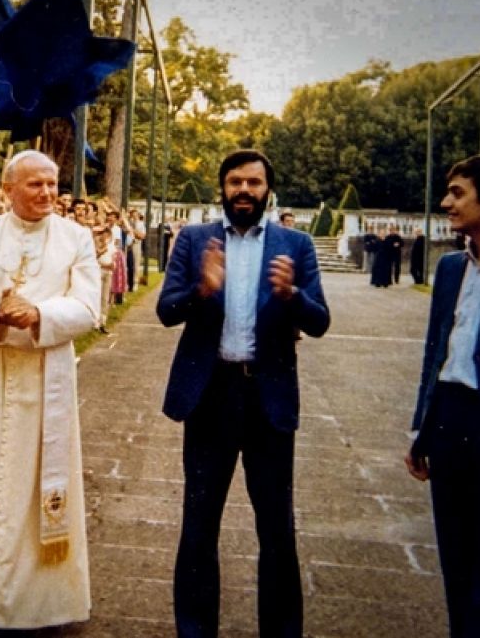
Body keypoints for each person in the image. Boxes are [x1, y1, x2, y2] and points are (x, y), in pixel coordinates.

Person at [157, 149, 330, 638]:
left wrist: (292, 295)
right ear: (222, 188)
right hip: (210, 396)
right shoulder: (195, 240)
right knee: (198, 523)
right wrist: (201, 290)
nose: (244, 191)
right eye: (235, 182)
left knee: (277, 528)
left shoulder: (295, 244)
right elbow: (166, 310)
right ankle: (195, 631)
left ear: (268, 189)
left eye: (254, 183)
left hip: (267, 400)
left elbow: (320, 321)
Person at [0, 150, 100, 635]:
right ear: (9, 189)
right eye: (35, 184)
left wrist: (39, 315)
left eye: (52, 183)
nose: (47, 192)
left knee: (38, 487)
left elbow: (88, 306)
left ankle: (39, 606)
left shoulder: (76, 238)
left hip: (46, 376)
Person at [405, 155, 480, 637]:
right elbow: (437, 354)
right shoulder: (451, 269)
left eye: (457, 193)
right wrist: (421, 429)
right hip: (451, 422)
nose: (446, 202)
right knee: (456, 556)